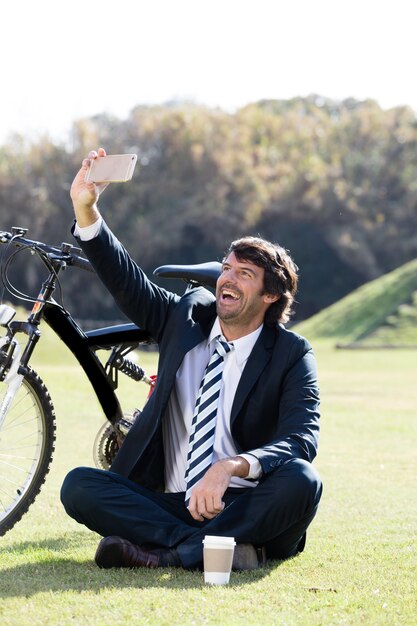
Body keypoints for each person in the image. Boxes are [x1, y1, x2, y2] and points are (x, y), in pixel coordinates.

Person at [60, 148, 322, 571]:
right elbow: (126, 278)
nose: (227, 279)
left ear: (270, 296)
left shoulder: (291, 354)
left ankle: (165, 553)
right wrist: (85, 209)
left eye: (244, 274)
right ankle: (210, 550)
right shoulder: (183, 317)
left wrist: (228, 468)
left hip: (243, 502)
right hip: (168, 501)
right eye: (227, 268)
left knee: (303, 481)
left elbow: (301, 440)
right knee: (79, 486)